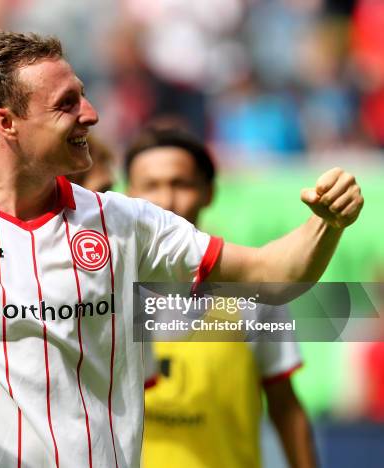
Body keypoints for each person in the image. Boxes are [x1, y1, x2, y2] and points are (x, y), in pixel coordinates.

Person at [0, 31, 363, 468]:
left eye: (85, 96)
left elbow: (271, 275)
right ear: (8, 123)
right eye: (67, 104)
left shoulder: (124, 221)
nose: (91, 114)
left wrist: (327, 225)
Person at [125, 122, 318, 468]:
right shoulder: (108, 287)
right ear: (128, 195)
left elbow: (285, 406)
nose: (166, 200)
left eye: (180, 184)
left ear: (208, 192)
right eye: (151, 186)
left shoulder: (253, 291)